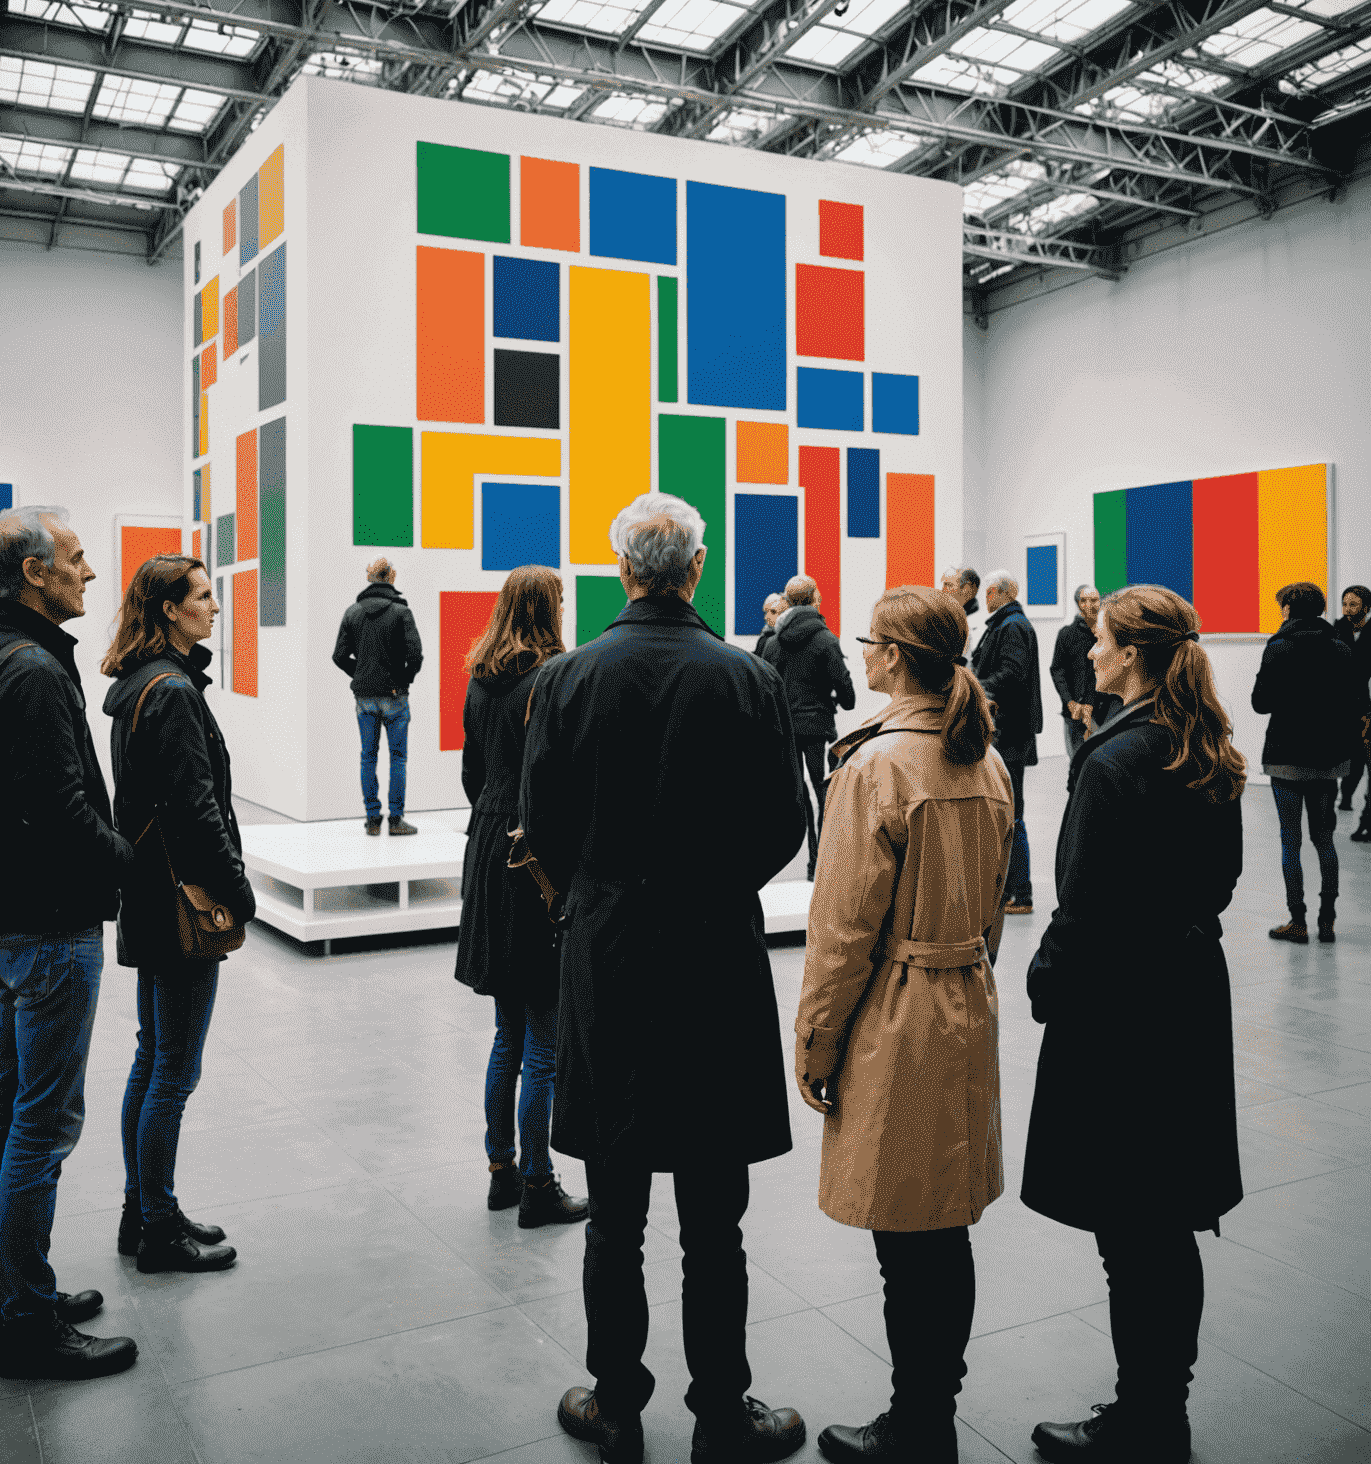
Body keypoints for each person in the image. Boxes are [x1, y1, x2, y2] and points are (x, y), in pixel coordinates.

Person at [521, 492, 809, 1464]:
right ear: (695, 570)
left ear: (623, 571)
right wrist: (713, 886)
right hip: (713, 956)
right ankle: (723, 1411)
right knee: (714, 1218)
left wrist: (586, 900)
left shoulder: (566, 679)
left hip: (606, 955)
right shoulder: (744, 678)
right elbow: (784, 824)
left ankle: (614, 1401)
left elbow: (540, 828)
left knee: (616, 1209)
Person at [1023, 585, 1246, 1464]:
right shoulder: (1205, 745)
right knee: (1165, 1219)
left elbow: (1082, 906)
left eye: (1103, 641)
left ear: (1136, 656)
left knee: (1131, 1228)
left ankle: (1146, 1418)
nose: (1091, 654)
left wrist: (1046, 984)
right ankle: (1163, 1405)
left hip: (1119, 1008)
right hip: (1187, 992)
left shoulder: (1111, 762)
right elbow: (1220, 883)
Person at [795, 587, 1013, 1464]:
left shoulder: (875, 768)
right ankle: (932, 1407)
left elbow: (842, 931)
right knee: (944, 1227)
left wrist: (816, 1042)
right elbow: (996, 904)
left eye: (868, 646)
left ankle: (916, 1424)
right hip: (967, 995)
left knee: (904, 1240)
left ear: (890, 657)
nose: (862, 657)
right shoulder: (982, 757)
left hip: (898, 1013)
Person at [0, 505, 138, 1380]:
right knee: (41, 1123)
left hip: (6, 922)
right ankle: (29, 1320)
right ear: (33, 573)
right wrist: (132, 865)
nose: (89, 574)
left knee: (6, 1107)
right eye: (74, 559)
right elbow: (61, 811)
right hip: (51, 926)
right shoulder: (31, 669)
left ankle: (3, 1289)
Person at [102, 555, 254, 1273]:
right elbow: (196, 809)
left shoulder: (142, 685)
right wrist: (239, 890)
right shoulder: (170, 693)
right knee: (172, 1071)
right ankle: (157, 1226)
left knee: (151, 1059)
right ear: (168, 610)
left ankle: (146, 1210)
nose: (213, 608)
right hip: (180, 900)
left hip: (149, 894)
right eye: (200, 597)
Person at [454, 564, 589, 1230]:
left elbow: (471, 773)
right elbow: (561, 784)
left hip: (486, 847)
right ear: (549, 607)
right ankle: (538, 1183)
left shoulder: (480, 678)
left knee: (508, 1034)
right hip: (533, 858)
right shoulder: (553, 680)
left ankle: (501, 1171)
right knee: (543, 1040)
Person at [1251, 581, 1365, 944]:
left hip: (1286, 757)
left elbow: (1260, 702)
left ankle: (1297, 921)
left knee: (1290, 842)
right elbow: (1354, 701)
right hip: (1327, 759)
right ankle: (1327, 921)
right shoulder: (1340, 647)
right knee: (1324, 840)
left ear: (1289, 609)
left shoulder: (1279, 646)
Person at [764, 575, 856, 880]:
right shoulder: (825, 639)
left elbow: (767, 686)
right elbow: (842, 683)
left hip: (786, 729)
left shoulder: (773, 643)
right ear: (815, 598)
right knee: (824, 793)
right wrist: (846, 699)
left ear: (788, 602)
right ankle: (820, 864)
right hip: (816, 727)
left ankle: (802, 861)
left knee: (795, 793)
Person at [332, 557, 423, 836]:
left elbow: (338, 656)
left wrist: (359, 674)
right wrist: (403, 680)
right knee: (398, 759)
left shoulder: (352, 612)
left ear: (370, 577)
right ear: (391, 576)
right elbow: (415, 657)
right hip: (395, 696)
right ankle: (396, 820)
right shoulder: (401, 612)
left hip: (364, 697)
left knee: (367, 757)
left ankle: (373, 819)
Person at [972, 571, 1042, 914]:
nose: (985, 598)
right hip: (1008, 733)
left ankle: (1020, 892)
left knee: (1012, 814)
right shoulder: (1008, 624)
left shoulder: (1011, 626)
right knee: (1008, 811)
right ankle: (1010, 890)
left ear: (999, 593)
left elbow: (1011, 674)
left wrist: (976, 687)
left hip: (1009, 734)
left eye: (989, 592)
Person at [1049, 585, 1116, 758]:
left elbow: (1106, 670)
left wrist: (1090, 703)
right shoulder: (1066, 634)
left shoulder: (1107, 634)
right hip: (1074, 711)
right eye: (1084, 600)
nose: (1090, 605)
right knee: (1076, 762)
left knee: (1103, 759)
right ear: (1078, 604)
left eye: (1094, 600)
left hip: (1103, 709)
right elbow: (1057, 670)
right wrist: (1069, 702)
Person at [1333, 585, 1371, 840]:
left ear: (1366, 608)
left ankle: (1349, 798)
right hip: (1339, 702)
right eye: (1345, 604)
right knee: (1347, 752)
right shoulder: (1336, 630)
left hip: (1363, 705)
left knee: (1360, 754)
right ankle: (1345, 794)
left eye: (1353, 605)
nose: (1347, 609)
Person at [942, 567, 984, 655]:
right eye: (944, 585)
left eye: (948, 585)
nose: (943, 590)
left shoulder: (979, 626)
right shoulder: (948, 619)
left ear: (966, 589)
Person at [753, 593, 787, 661]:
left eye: (773, 612)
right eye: (765, 612)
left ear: (785, 613)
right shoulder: (763, 640)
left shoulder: (789, 640)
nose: (766, 617)